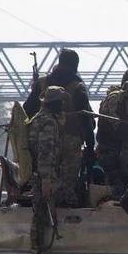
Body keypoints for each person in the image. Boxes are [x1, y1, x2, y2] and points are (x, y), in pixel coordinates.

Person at [23, 48, 95, 207]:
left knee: (43, 180)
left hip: (42, 138)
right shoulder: (77, 86)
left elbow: (27, 110)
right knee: (66, 184)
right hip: (70, 141)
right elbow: (87, 120)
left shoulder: (41, 83)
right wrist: (90, 146)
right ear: (76, 65)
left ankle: (42, 209)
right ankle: (62, 211)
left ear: (59, 62)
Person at [27, 86, 70, 254]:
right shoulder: (48, 122)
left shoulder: (40, 118)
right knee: (41, 215)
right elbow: (45, 152)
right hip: (43, 175)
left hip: (38, 173)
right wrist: (46, 180)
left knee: (42, 213)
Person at [96, 67, 128, 188]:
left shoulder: (122, 97)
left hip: (115, 150)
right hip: (111, 150)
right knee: (115, 186)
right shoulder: (115, 97)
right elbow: (117, 124)